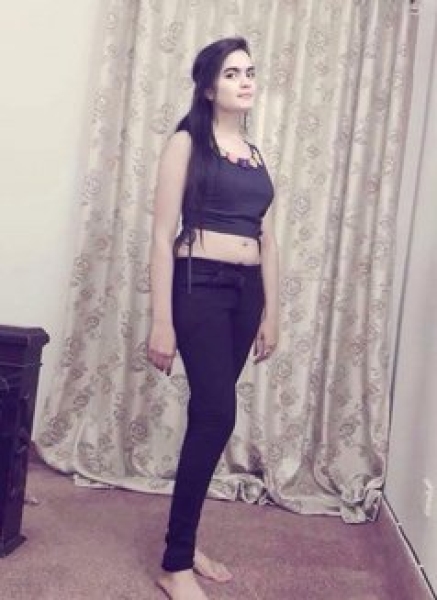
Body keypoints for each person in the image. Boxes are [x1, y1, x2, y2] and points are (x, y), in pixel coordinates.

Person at [147, 36, 279, 600]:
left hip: (246, 294)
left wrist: (274, 312)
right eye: (231, 73)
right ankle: (175, 564)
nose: (245, 81)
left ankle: (185, 541)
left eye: (249, 72)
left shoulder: (254, 153)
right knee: (217, 414)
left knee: (209, 416)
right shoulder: (187, 143)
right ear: (208, 87)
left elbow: (268, 239)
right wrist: (161, 321)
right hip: (198, 286)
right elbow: (161, 235)